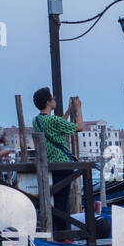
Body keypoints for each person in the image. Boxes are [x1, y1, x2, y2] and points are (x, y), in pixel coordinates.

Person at [32, 87, 84, 225]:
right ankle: (64, 235)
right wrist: (78, 108)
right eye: (53, 98)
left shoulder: (36, 121)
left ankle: (56, 232)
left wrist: (68, 110)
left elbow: (58, 124)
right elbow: (79, 127)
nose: (54, 99)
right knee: (63, 202)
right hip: (62, 164)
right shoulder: (53, 120)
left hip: (49, 165)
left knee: (55, 200)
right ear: (48, 102)